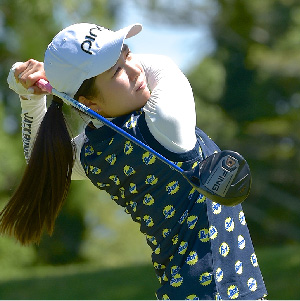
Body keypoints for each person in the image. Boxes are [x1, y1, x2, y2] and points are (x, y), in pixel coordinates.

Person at [1, 23, 267, 300]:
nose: (134, 69)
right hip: (221, 292)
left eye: (127, 55)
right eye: (116, 71)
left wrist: (30, 98)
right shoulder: (165, 121)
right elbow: (163, 65)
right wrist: (56, 82)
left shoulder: (93, 154)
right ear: (89, 104)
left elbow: (40, 158)